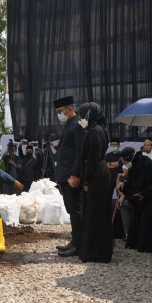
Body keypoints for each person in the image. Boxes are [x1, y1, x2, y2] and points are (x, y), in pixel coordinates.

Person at [76, 102, 113, 263]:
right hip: (100, 173)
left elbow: (92, 158)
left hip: (96, 175)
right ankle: (96, 250)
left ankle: (95, 252)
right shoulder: (100, 130)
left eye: (81, 116)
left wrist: (86, 180)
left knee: (94, 214)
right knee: (97, 213)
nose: (80, 119)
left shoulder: (94, 132)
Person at [53, 96, 86, 257]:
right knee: (71, 210)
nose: (59, 114)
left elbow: (79, 152)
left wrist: (75, 174)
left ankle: (78, 245)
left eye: (60, 111)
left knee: (75, 211)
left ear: (70, 109)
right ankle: (74, 241)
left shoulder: (77, 126)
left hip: (71, 176)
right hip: (65, 175)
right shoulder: (69, 126)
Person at [117, 147, 152, 252]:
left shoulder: (147, 165)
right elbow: (133, 181)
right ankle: (134, 243)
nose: (124, 162)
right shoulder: (135, 165)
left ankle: (146, 246)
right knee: (135, 219)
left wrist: (145, 193)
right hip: (139, 198)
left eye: (124, 159)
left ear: (130, 157)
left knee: (146, 220)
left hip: (151, 197)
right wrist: (124, 183)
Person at [105, 138, 123, 209]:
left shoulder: (121, 155)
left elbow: (119, 164)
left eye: (115, 144)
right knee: (108, 195)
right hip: (110, 177)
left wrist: (110, 164)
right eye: (112, 144)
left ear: (119, 145)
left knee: (120, 194)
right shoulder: (108, 155)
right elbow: (106, 165)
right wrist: (115, 164)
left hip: (119, 177)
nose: (114, 146)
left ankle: (120, 208)